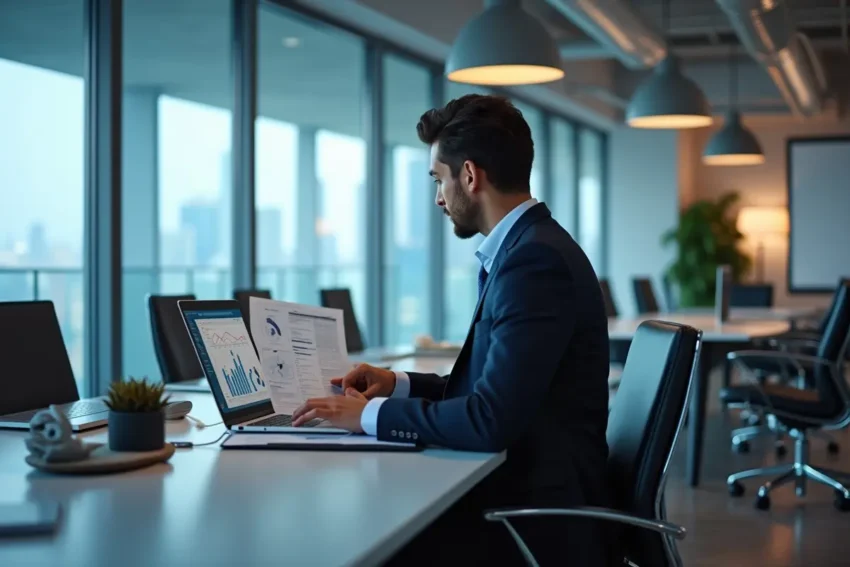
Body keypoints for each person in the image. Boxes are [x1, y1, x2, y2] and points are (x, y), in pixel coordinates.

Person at [292, 94, 611, 566]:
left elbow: (489, 419)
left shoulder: (533, 262)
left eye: (439, 179)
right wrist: (395, 385)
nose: (439, 198)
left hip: (534, 514)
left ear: (469, 175)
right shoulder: (529, 248)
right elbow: (493, 390)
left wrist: (366, 416)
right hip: (528, 487)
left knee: (364, 536)